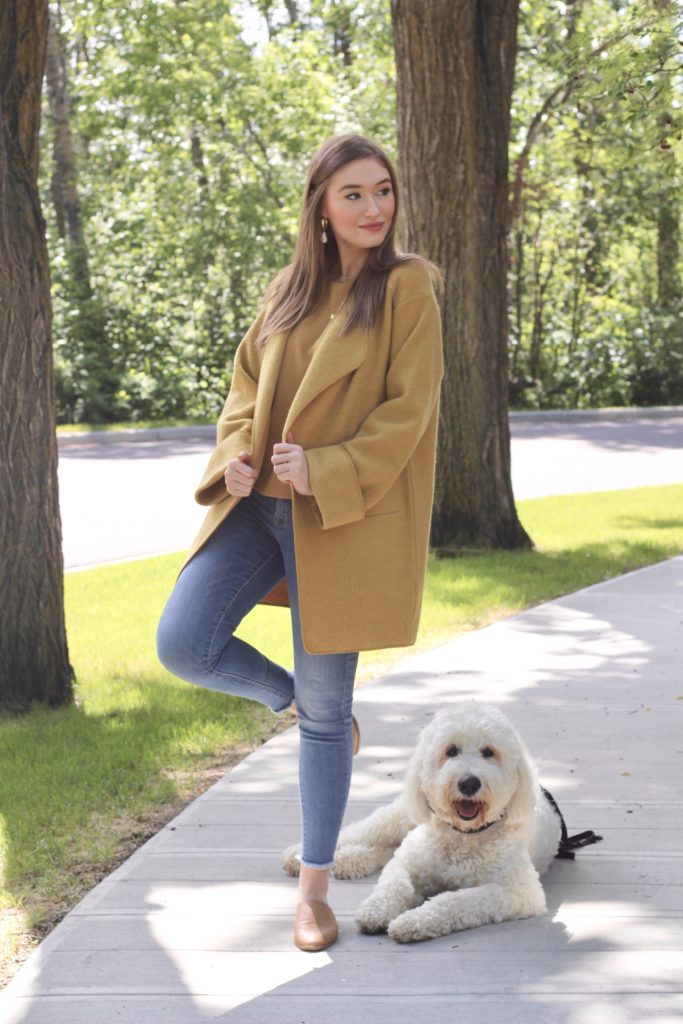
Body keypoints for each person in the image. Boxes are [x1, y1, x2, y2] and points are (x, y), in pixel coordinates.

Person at [156, 132, 444, 952]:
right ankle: (292, 702)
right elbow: (244, 388)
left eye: (381, 190)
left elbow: (407, 411)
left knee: (328, 716)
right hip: (258, 511)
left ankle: (313, 890)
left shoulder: (409, 288)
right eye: (352, 193)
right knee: (183, 643)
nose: (372, 207)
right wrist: (236, 457)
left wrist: (327, 468)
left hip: (339, 518)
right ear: (320, 206)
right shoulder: (288, 289)